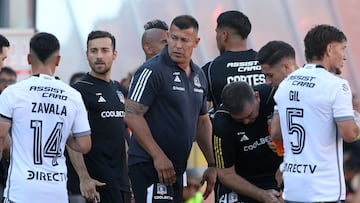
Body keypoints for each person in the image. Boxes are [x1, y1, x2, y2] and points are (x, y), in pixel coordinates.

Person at [125, 15, 216, 203]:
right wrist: (158, 157)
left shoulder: (199, 75)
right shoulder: (152, 70)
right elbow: (132, 115)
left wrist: (212, 163)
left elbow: (202, 120)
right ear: (168, 36)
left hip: (177, 168)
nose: (178, 45)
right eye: (174, 38)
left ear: (196, 42)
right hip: (149, 165)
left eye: (184, 40)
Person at [0, 32, 91, 203]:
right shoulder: (73, 96)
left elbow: (0, 136)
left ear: (29, 58)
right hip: (56, 193)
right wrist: (63, 135)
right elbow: (84, 145)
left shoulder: (12, 93)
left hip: (21, 192)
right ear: (57, 60)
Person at [272, 24, 359, 202]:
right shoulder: (336, 85)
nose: (344, 57)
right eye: (343, 49)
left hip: (293, 188)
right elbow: (350, 134)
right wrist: (355, 116)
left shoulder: (287, 83)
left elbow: (276, 133)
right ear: (329, 49)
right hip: (323, 191)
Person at [67, 30, 131, 203]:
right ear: (87, 54)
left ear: (114, 54)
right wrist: (84, 177)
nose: (99, 56)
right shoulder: (78, 91)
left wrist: (130, 179)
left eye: (104, 50)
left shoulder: (118, 90)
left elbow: (121, 135)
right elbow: (70, 138)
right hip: (93, 187)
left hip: (121, 185)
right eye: (94, 51)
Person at [212, 81, 282, 203]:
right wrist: (262, 195)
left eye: (249, 115)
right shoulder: (221, 123)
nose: (245, 122)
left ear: (257, 97)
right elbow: (225, 175)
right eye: (239, 120)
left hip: (276, 173)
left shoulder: (275, 96)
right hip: (241, 180)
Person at [202, 10, 265, 111]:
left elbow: (202, 113)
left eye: (217, 34)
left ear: (224, 35)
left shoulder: (210, 69)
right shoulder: (266, 63)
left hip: (226, 126)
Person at [257, 40, 299, 157]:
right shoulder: (279, 91)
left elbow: (275, 134)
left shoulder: (286, 91)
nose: (268, 82)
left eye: (270, 75)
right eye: (265, 76)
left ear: (286, 67)